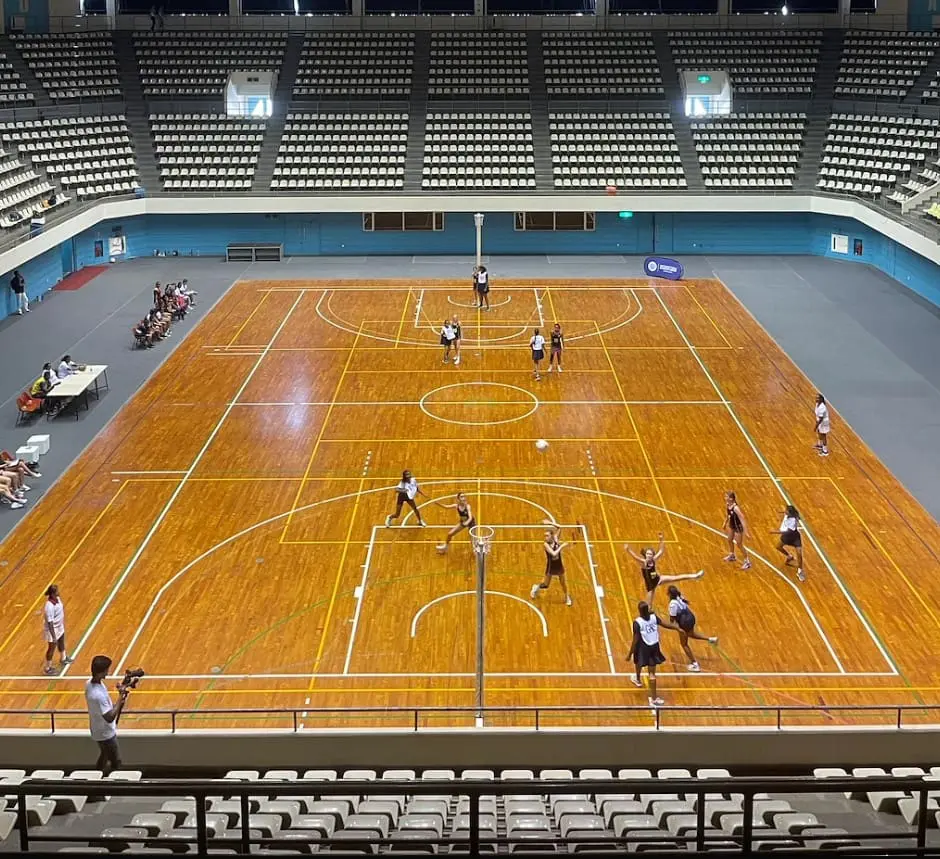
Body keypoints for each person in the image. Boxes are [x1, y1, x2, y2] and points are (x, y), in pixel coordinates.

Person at [624, 532, 703, 605]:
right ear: (645, 555)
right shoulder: (643, 563)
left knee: (676, 578)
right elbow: (635, 557)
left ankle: (695, 576)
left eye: (650, 554)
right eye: (647, 553)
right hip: (650, 585)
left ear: (652, 555)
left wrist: (661, 539)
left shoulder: (654, 560)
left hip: (658, 579)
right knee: (649, 604)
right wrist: (628, 550)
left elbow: (661, 551)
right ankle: (648, 615)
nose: (648, 555)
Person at [628, 601, 680, 707]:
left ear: (639, 611)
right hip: (654, 646)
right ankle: (654, 698)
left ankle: (638, 680)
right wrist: (676, 627)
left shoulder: (637, 622)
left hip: (643, 647)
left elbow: (635, 640)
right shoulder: (653, 617)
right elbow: (665, 624)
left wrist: (630, 653)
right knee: (651, 673)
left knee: (637, 660)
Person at [85, 655, 127, 775]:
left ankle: (96, 777)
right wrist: (120, 698)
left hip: (98, 730)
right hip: (106, 734)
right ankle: (111, 784)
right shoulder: (97, 695)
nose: (108, 671)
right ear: (101, 671)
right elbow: (109, 717)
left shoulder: (90, 684)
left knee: (104, 755)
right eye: (107, 669)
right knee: (116, 761)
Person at [666, 585, 718, 673]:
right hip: (690, 617)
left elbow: (672, 619)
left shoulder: (672, 604)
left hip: (684, 622)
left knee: (684, 644)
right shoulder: (679, 596)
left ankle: (695, 664)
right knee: (691, 634)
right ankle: (710, 639)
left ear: (669, 594)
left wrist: (677, 628)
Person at [530, 520, 572, 606]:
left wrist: (550, 523)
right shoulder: (545, 545)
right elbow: (554, 554)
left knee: (563, 582)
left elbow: (559, 527)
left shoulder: (556, 539)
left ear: (552, 536)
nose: (545, 537)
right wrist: (562, 546)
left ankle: (567, 597)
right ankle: (536, 587)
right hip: (551, 566)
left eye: (547, 536)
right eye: (545, 536)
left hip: (559, 565)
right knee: (546, 585)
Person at [42, 585, 73, 676]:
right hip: (52, 629)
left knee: (61, 642)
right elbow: (50, 623)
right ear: (52, 594)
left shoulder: (58, 599)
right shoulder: (49, 607)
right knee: (51, 648)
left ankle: (63, 658)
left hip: (59, 626)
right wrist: (53, 636)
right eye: (56, 592)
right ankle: (48, 668)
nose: (58, 593)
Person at [774, 504, 805, 582]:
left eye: (786, 510)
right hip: (787, 536)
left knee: (799, 554)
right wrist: (781, 511)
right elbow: (787, 512)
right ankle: (789, 556)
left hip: (794, 537)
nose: (785, 511)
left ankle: (800, 571)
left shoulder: (792, 521)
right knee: (778, 547)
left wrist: (774, 532)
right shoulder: (789, 515)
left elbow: (787, 531)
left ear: (790, 513)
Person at [723, 490, 751, 570]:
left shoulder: (736, 508)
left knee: (739, 544)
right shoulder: (728, 505)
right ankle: (732, 555)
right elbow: (728, 515)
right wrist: (725, 523)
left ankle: (747, 562)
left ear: (731, 499)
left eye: (726, 496)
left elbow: (742, 519)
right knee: (729, 539)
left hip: (738, 527)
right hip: (732, 525)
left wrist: (746, 532)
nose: (725, 498)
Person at [814, 394, 830, 458]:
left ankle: (825, 451)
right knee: (819, 433)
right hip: (819, 421)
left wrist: (816, 426)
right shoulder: (817, 404)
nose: (816, 399)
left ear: (821, 399)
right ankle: (820, 445)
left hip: (823, 423)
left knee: (823, 436)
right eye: (816, 398)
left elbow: (821, 419)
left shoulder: (822, 407)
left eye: (818, 398)